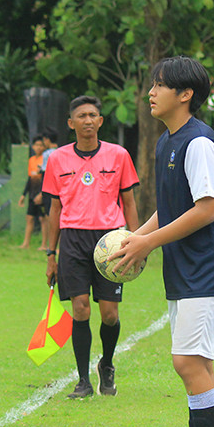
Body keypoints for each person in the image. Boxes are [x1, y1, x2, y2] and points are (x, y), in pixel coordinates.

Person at [111, 56, 214, 427]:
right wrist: (136, 237)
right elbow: (170, 208)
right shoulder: (166, 142)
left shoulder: (198, 142)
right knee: (194, 363)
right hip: (187, 272)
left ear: (185, 95)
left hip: (210, 269)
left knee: (187, 361)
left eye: (160, 85)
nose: (151, 92)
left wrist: (149, 242)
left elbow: (207, 209)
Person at [43, 96, 139, 399]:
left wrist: (137, 243)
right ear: (71, 124)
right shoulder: (57, 159)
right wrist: (50, 254)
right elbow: (54, 211)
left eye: (93, 115)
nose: (87, 120)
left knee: (109, 314)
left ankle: (107, 364)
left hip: (110, 240)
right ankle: (83, 381)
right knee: (80, 308)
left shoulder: (119, 155)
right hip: (72, 239)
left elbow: (130, 202)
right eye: (81, 116)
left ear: (100, 121)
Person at [18, 136, 47, 249]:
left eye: (41, 145)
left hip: (41, 194)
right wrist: (23, 195)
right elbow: (30, 179)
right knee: (29, 218)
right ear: (33, 146)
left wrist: (42, 194)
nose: (38, 147)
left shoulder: (45, 160)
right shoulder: (31, 160)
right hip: (32, 193)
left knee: (43, 219)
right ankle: (26, 243)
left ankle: (44, 244)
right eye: (36, 145)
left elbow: (46, 179)